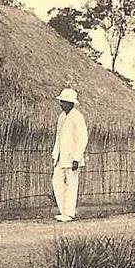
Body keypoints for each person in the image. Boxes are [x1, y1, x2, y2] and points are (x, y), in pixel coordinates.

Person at [51, 86, 89, 222]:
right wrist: (55, 155)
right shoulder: (61, 117)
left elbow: (82, 138)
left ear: (71, 103)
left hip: (72, 157)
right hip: (61, 157)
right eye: (61, 101)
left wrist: (76, 158)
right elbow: (58, 137)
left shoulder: (77, 117)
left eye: (64, 102)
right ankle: (63, 211)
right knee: (57, 182)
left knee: (72, 184)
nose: (61, 104)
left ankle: (69, 213)